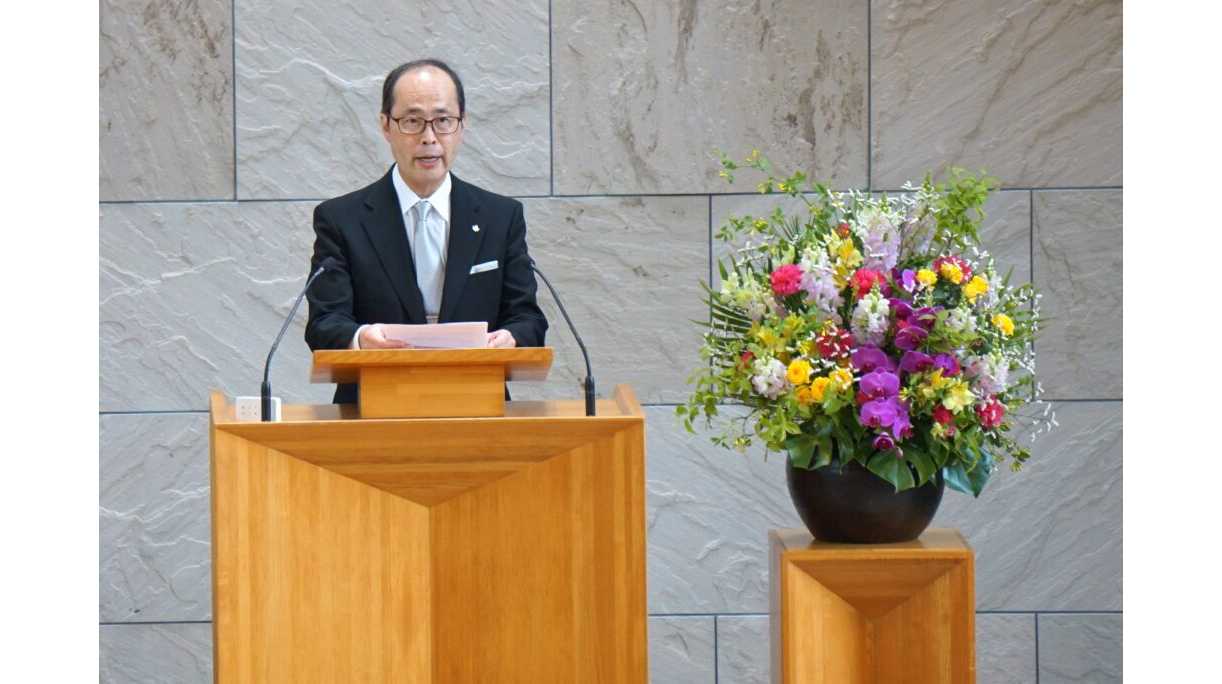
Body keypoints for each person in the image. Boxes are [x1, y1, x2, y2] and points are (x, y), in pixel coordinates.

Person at [305, 59, 548, 404]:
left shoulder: (500, 217)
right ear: (385, 126)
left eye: (443, 121)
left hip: (479, 407)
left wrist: (510, 337)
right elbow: (324, 323)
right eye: (412, 121)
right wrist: (360, 338)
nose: (429, 138)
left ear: (462, 126)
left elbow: (528, 319)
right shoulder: (341, 219)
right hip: (372, 410)